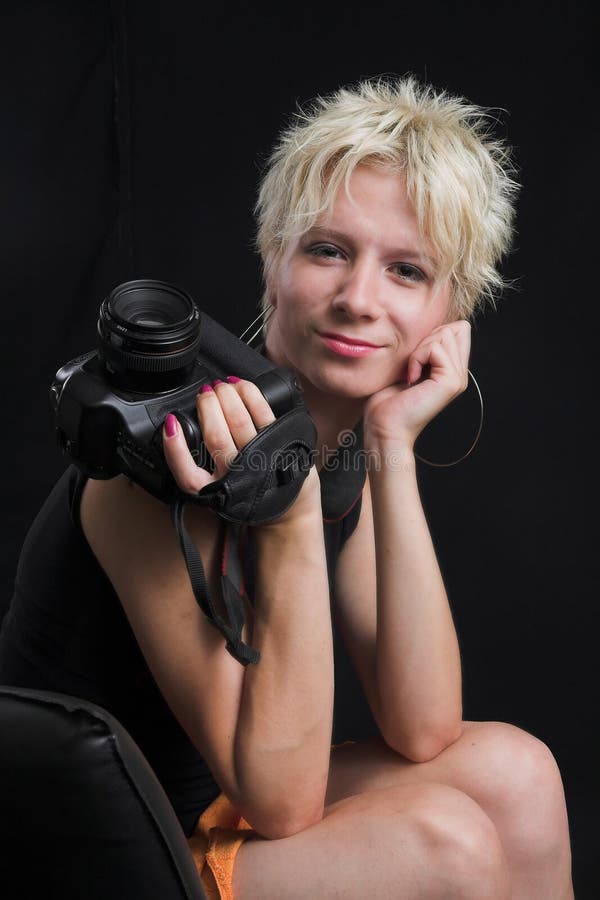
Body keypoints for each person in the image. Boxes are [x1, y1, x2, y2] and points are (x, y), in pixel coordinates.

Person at [0, 75, 573, 899]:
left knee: (518, 775)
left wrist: (392, 442)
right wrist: (294, 511)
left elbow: (423, 726)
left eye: (407, 270)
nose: (357, 300)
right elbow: (284, 802)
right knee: (445, 848)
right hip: (84, 853)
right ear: (273, 263)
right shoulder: (162, 455)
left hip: (208, 813)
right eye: (328, 250)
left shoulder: (344, 435)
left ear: (452, 313)